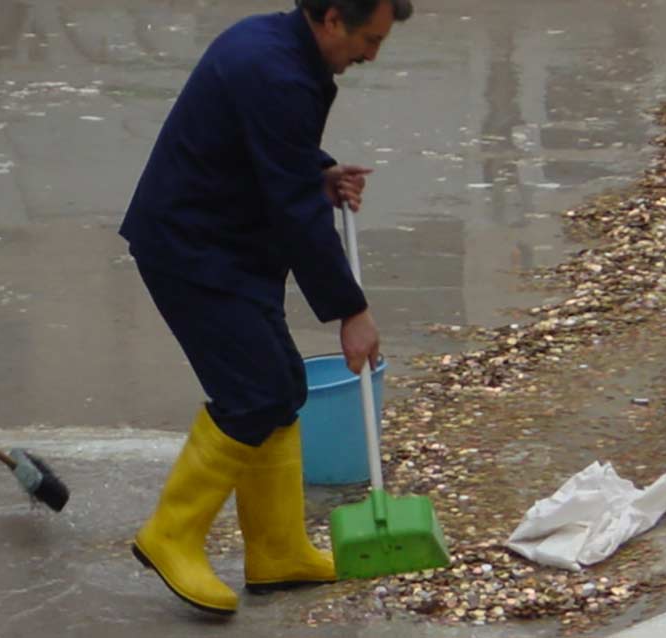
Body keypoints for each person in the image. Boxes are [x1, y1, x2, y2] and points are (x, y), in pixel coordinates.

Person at [119, 0, 413, 615]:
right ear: (333, 18)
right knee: (253, 394)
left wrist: (319, 171)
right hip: (191, 248)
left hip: (228, 244)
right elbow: (294, 210)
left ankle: (277, 551)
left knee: (281, 384)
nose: (370, 54)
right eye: (369, 38)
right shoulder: (274, 69)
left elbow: (272, 149)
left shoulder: (279, 49)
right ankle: (170, 535)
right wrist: (349, 310)